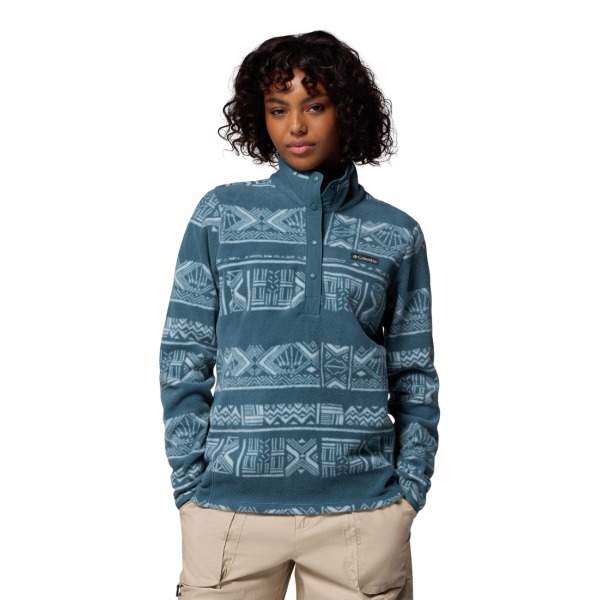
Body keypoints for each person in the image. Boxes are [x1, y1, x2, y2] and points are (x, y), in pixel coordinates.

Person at [159, 30, 440, 600]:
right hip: (228, 511)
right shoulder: (220, 214)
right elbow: (183, 354)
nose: (295, 126)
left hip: (361, 515)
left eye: (314, 106)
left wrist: (408, 490)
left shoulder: (396, 232)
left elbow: (414, 373)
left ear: (346, 111)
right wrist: (189, 484)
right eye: (277, 109)